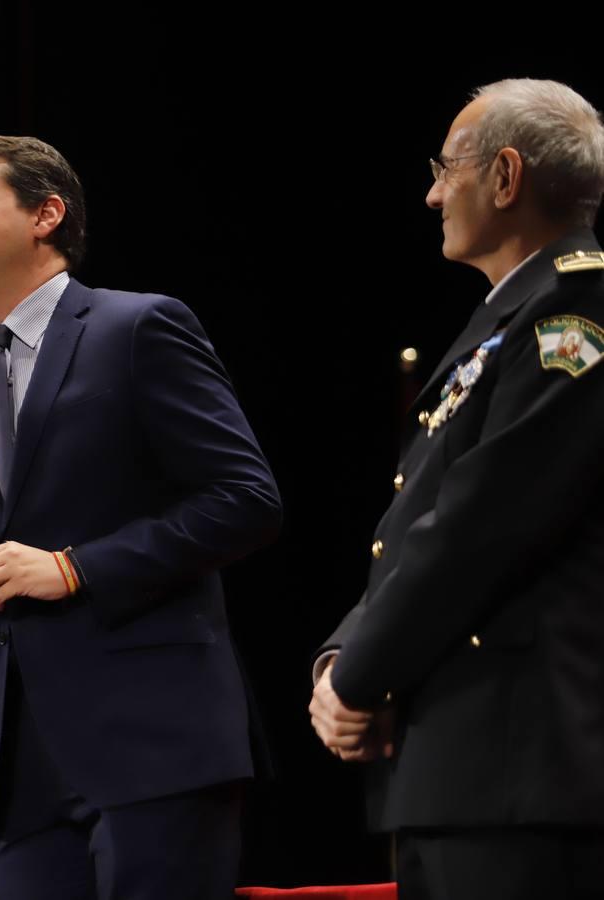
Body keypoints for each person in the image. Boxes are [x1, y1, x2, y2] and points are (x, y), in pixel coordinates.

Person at [0, 135, 281, 899]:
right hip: (23, 771)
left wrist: (73, 568)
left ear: (46, 215)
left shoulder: (137, 329)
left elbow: (246, 501)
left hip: (154, 743)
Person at [309, 79, 604, 899]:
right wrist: (341, 657)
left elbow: (483, 524)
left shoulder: (575, 316)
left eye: (448, 168)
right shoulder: (510, 315)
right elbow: (416, 520)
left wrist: (358, 678)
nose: (434, 192)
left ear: (505, 177)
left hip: (522, 762)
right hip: (456, 756)